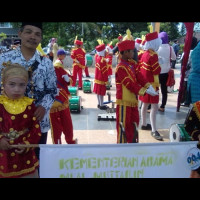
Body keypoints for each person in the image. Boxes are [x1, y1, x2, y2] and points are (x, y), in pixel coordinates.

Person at [0, 22, 57, 163]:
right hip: (8, 123)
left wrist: (44, 106)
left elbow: (53, 90)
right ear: (20, 34)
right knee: (7, 164)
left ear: (41, 39)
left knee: (36, 161)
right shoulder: (4, 59)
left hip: (37, 123)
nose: (33, 37)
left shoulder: (46, 63)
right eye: (28, 32)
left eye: (37, 34)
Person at [0, 63, 41, 178]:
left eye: (22, 85)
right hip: (3, 157)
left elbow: (36, 129)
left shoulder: (29, 105)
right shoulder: (0, 104)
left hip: (25, 158)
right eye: (12, 84)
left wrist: (28, 144)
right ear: (3, 84)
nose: (17, 89)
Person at [115, 39, 158, 143]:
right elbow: (129, 84)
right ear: (125, 52)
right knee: (123, 125)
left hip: (133, 100)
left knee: (134, 123)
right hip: (124, 101)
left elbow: (140, 77)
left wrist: (149, 86)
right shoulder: (120, 68)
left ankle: (132, 144)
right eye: (132, 51)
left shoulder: (133, 64)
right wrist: (144, 91)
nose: (134, 53)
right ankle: (121, 147)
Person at [138, 31, 163, 141]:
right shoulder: (153, 56)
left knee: (144, 104)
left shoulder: (144, 53)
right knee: (154, 107)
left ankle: (144, 123)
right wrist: (160, 63)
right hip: (152, 85)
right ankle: (153, 130)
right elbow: (157, 70)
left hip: (145, 84)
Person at [50, 49, 77, 144]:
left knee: (61, 123)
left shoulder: (56, 65)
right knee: (64, 123)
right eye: (63, 55)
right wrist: (69, 78)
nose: (64, 57)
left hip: (55, 99)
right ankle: (66, 141)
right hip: (57, 98)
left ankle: (58, 143)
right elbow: (66, 79)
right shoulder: (57, 66)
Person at [157, 32, 176, 112]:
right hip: (166, 72)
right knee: (164, 91)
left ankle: (152, 105)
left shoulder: (157, 47)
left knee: (155, 89)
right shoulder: (170, 47)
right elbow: (174, 58)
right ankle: (162, 106)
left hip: (157, 72)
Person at [181, 36, 198, 107]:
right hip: (193, 74)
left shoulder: (188, 52)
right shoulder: (196, 51)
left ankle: (186, 101)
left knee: (187, 89)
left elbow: (185, 63)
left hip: (188, 74)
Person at [93, 42, 109, 110]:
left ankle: (99, 103)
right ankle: (102, 104)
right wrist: (106, 80)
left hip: (97, 77)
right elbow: (104, 72)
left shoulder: (97, 57)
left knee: (98, 91)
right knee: (101, 92)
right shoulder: (103, 60)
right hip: (101, 78)